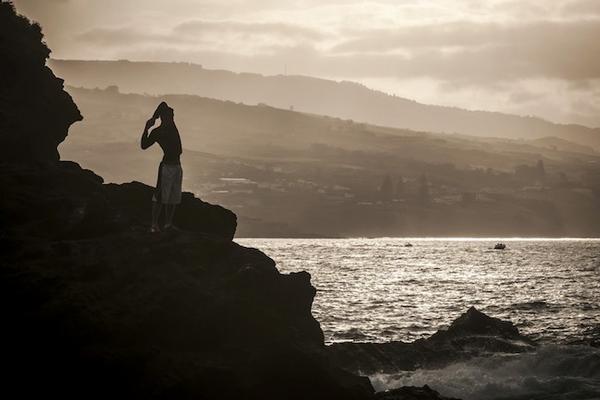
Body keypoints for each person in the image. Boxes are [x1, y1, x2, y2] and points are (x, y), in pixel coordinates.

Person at [141, 102, 183, 232]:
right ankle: (154, 224)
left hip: (177, 165)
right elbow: (144, 145)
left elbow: (162, 104)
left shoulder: (170, 126)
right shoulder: (159, 131)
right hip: (166, 166)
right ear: (165, 117)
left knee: (173, 196)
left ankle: (168, 224)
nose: (172, 116)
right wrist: (146, 128)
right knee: (159, 195)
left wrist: (154, 118)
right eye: (170, 115)